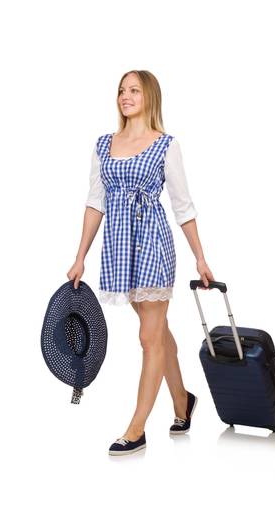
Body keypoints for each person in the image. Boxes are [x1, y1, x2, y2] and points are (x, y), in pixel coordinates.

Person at [67, 70, 215, 456]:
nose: (125, 96)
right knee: (157, 330)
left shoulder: (166, 145)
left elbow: (183, 206)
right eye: (121, 91)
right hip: (118, 245)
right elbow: (95, 203)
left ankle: (136, 428)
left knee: (149, 337)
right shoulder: (104, 145)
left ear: (149, 97)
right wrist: (80, 256)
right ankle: (183, 401)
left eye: (133, 90)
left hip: (152, 242)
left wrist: (200, 258)